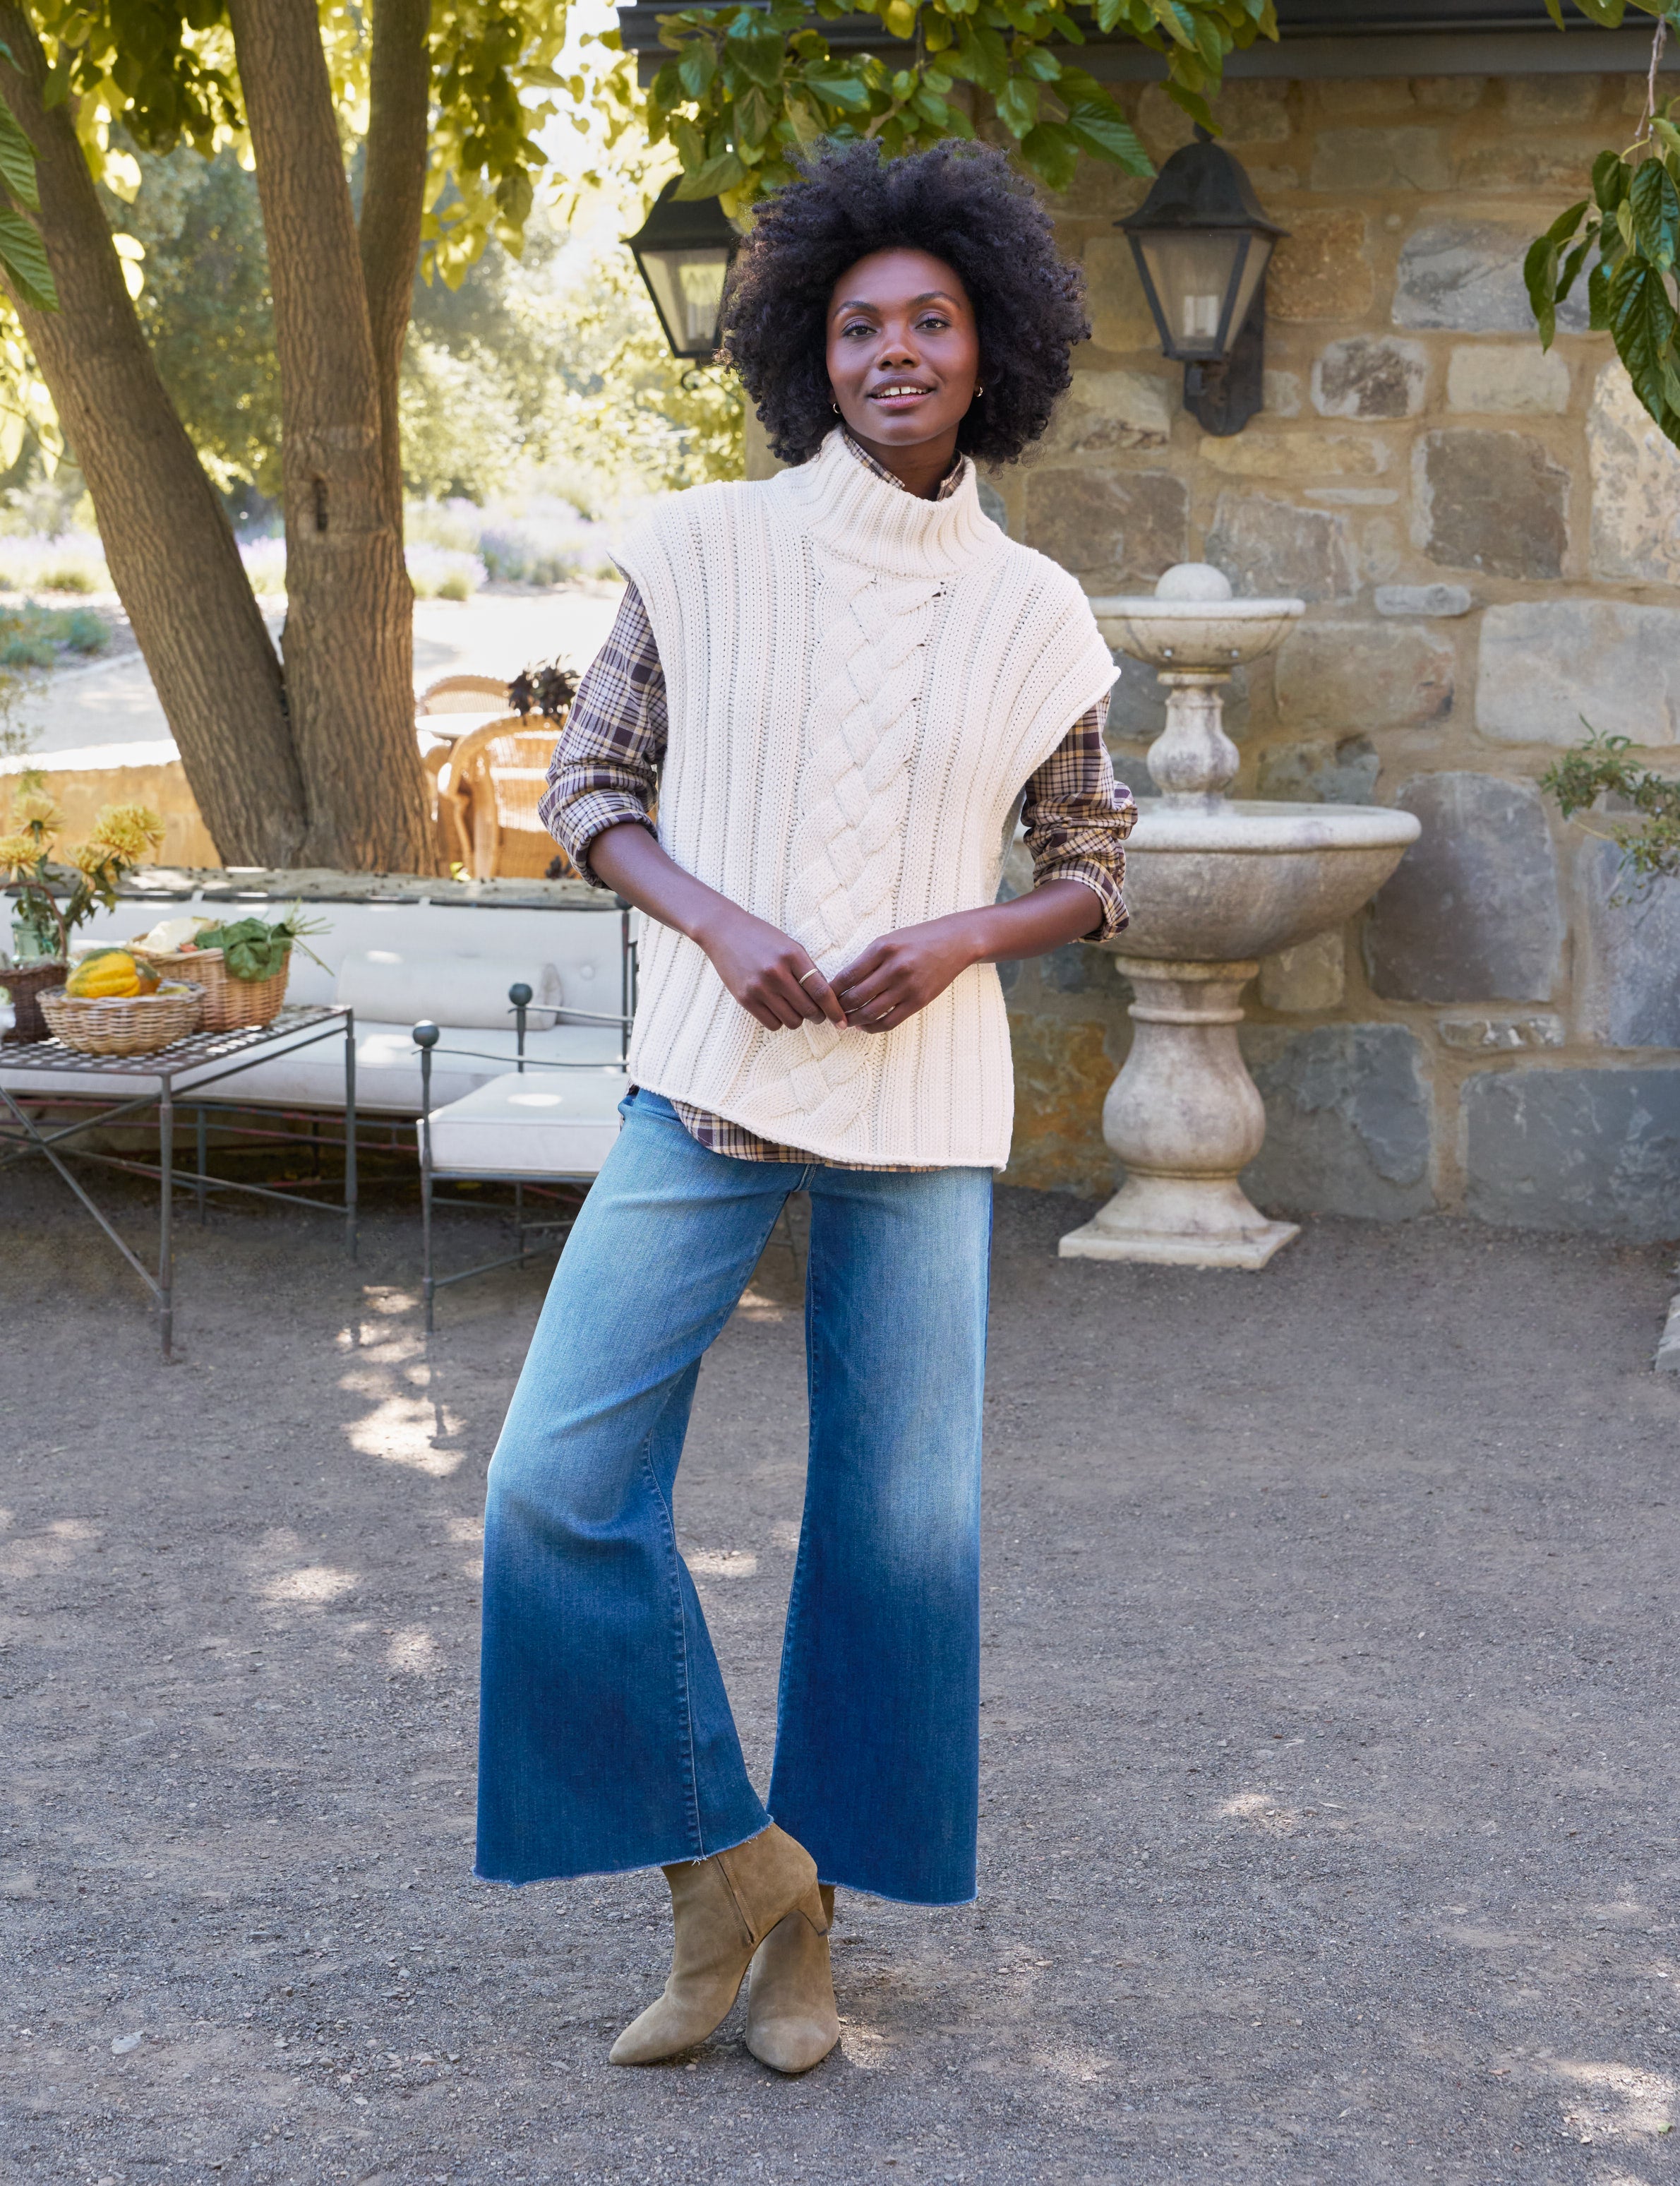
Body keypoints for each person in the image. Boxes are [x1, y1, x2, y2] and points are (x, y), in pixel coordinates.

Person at [475, 138, 1136, 2076]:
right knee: (551, 1486)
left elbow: (1097, 856)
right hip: (705, 1083)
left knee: (895, 1535)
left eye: (932, 320)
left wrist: (957, 936)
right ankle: (722, 1861)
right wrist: (716, 920)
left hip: (921, 1112)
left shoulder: (1034, 609)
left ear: (987, 345)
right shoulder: (699, 551)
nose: (896, 350)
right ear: (809, 352)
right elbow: (586, 789)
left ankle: (803, 1940)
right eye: (861, 324)